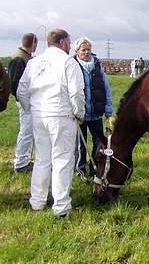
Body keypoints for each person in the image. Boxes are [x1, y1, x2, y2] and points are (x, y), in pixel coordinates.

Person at [16, 28, 84, 217]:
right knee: (62, 159)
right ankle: (61, 206)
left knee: (42, 159)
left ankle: (37, 201)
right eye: (69, 43)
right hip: (61, 115)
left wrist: (32, 109)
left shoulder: (34, 62)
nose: (70, 46)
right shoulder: (68, 62)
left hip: (39, 115)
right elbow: (77, 92)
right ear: (62, 42)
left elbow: (21, 90)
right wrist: (80, 113)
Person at [73, 37, 113, 176]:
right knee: (80, 145)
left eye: (88, 49)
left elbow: (106, 87)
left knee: (98, 143)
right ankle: (80, 169)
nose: (86, 52)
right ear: (77, 51)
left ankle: (95, 166)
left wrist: (108, 110)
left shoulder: (97, 65)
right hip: (80, 113)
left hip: (96, 112)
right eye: (83, 50)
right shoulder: (72, 65)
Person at [8, 33, 38, 172]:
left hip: (27, 100)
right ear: (34, 44)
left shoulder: (23, 57)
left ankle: (24, 159)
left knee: (28, 132)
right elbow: (15, 85)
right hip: (24, 101)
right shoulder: (19, 58)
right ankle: (21, 163)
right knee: (26, 132)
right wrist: (24, 101)